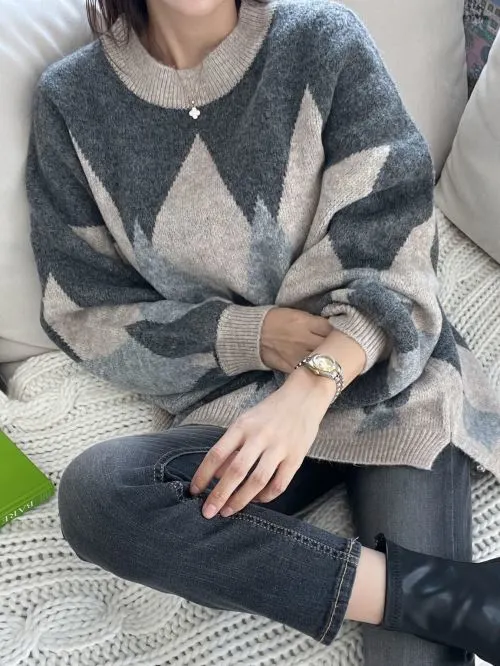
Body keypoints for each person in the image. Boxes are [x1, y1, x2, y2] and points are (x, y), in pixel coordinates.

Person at [25, 0, 500, 664]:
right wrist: (251, 334)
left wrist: (309, 387)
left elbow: (400, 243)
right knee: (98, 496)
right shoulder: (72, 102)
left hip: (387, 381)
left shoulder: (322, 42)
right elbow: (85, 312)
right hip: (238, 412)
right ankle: (458, 597)